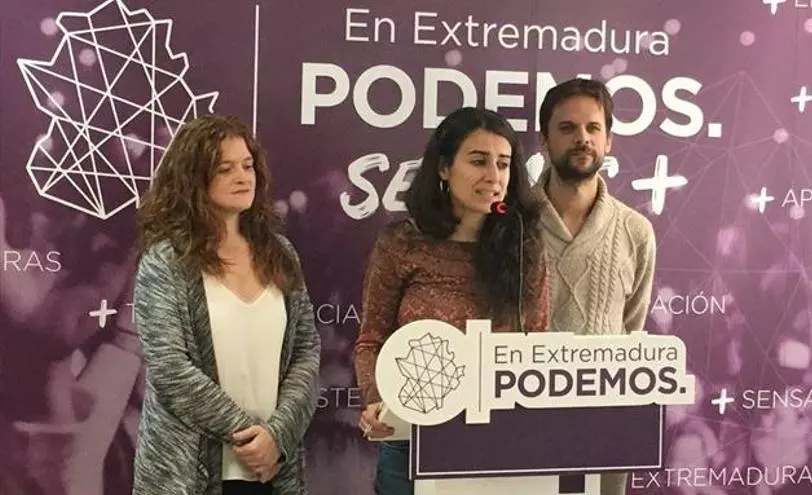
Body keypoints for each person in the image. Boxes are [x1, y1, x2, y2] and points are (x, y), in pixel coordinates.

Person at [353, 107, 551, 495]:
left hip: (497, 442)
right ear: (444, 168)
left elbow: (537, 346)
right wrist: (376, 402)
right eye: (478, 161)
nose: (493, 176)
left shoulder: (525, 246)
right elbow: (371, 341)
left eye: (503, 164)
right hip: (410, 440)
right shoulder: (401, 243)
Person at [132, 115, 321, 495]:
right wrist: (249, 435)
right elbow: (171, 369)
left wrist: (277, 436)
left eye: (248, 166)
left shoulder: (280, 252)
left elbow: (305, 349)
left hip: (271, 470)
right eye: (225, 168)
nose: (243, 177)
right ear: (193, 178)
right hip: (187, 476)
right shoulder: (166, 261)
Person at [535, 78, 658, 495]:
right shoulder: (508, 224)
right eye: (567, 128)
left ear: (609, 141)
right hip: (519, 422)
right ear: (544, 140)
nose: (582, 138)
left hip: (605, 425)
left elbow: (631, 329)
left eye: (593, 128)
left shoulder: (636, 232)